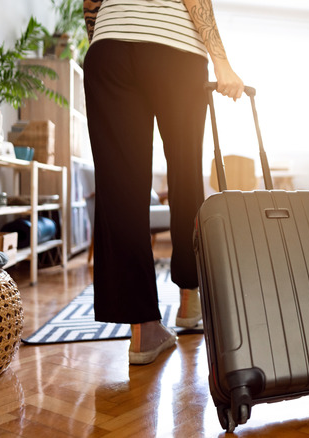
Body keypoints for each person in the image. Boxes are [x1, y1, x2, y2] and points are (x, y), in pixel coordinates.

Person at [82, 0, 243, 365]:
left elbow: (90, 4)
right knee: (186, 174)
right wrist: (221, 61)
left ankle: (144, 329)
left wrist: (109, 39)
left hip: (108, 48)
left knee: (120, 187)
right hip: (174, 48)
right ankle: (189, 298)